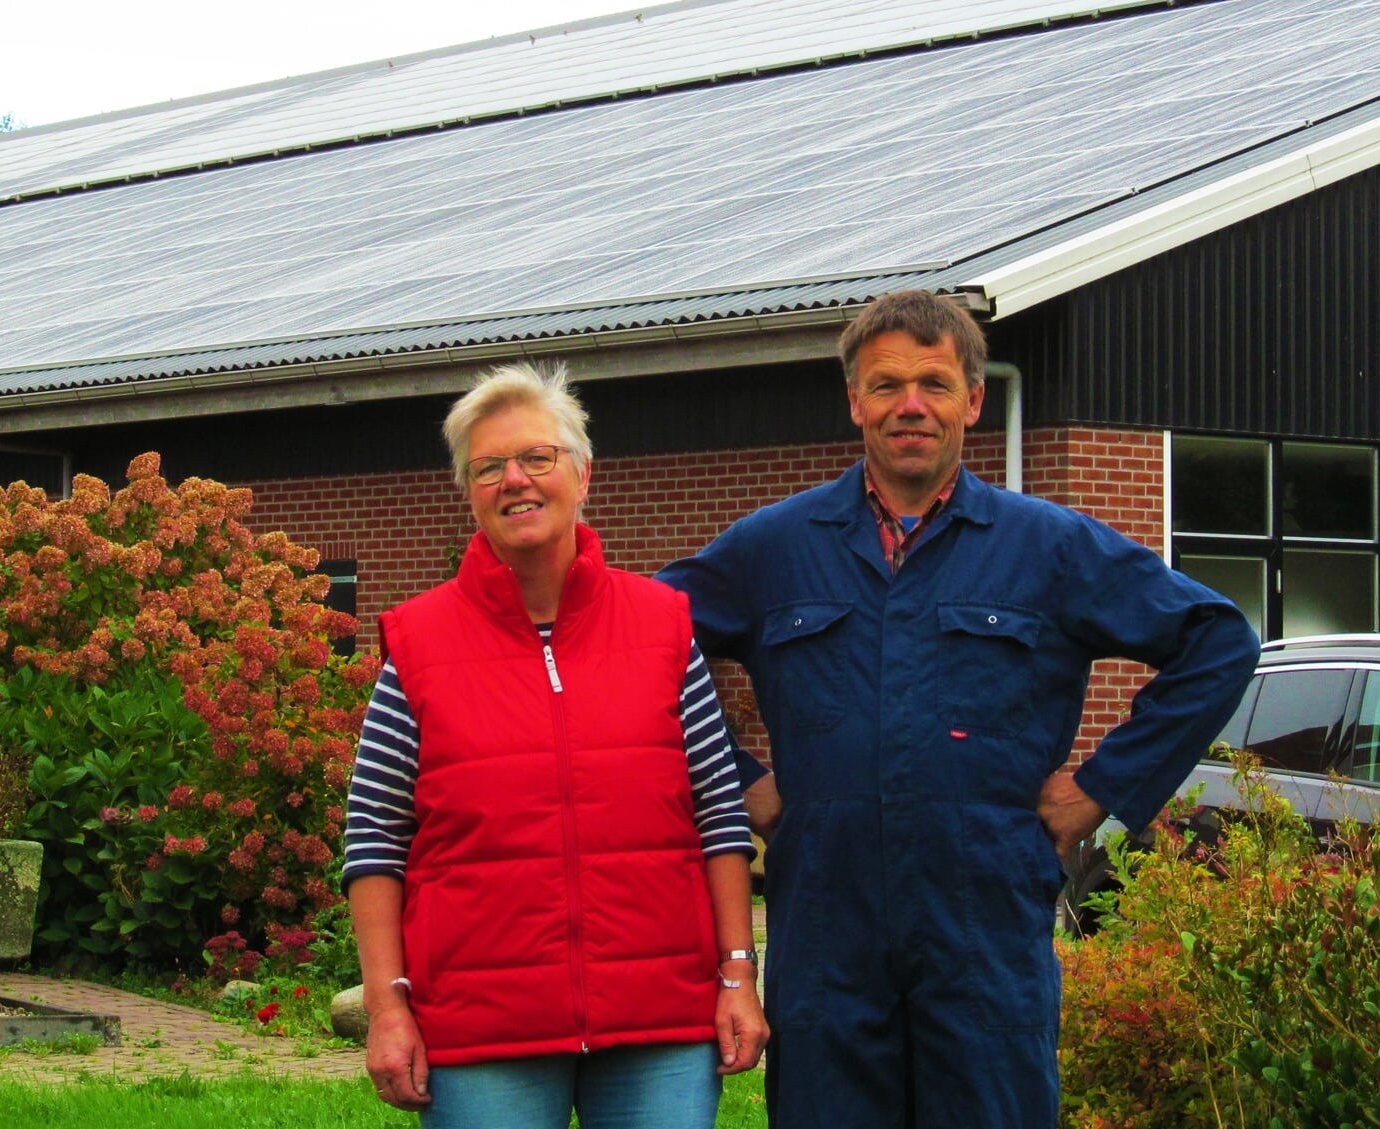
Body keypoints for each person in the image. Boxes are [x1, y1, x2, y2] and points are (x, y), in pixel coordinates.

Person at [657, 289, 1260, 1127]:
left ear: (973, 401)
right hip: (828, 928)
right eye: (887, 384)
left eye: (935, 384)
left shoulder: (1047, 547)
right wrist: (738, 781)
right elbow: (635, 645)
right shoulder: (774, 548)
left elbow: (1218, 639)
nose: (911, 405)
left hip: (983, 929)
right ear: (854, 400)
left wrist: (1100, 788)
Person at [343, 362, 768, 1128]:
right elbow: (374, 837)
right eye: (488, 467)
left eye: (537, 457)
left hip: (659, 1023)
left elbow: (719, 816)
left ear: (582, 475)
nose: (516, 480)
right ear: (469, 493)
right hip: (480, 1031)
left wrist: (737, 974)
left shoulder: (665, 629)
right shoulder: (417, 645)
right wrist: (386, 1005)